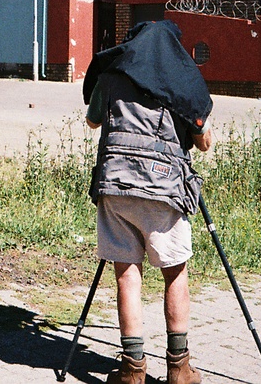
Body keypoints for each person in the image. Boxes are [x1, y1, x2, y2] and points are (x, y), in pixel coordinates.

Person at [83, 21, 214, 384]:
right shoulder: (183, 80)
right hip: (163, 187)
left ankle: (132, 369)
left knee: (127, 275)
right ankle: (179, 367)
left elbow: (94, 121)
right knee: (174, 272)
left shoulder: (112, 74)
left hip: (116, 185)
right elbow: (203, 142)